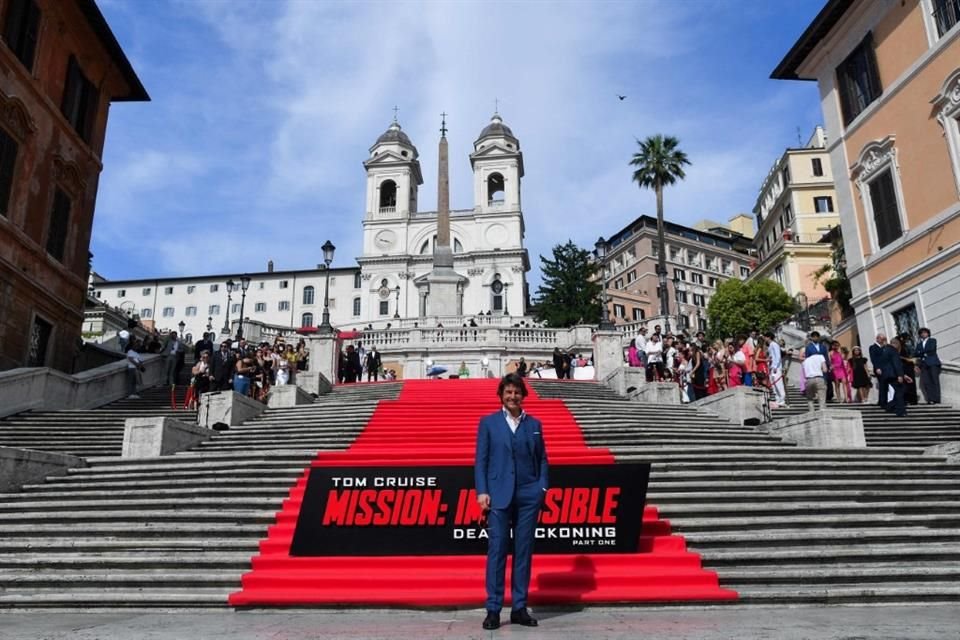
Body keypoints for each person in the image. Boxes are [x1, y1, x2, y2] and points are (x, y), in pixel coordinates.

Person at [474, 374, 548, 631]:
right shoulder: (489, 423)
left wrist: (542, 488)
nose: (512, 397)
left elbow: (542, 460)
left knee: (523, 552)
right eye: (508, 393)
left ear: (523, 395)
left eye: (517, 392)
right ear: (501, 395)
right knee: (497, 551)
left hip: (529, 495)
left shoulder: (534, 424)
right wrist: (481, 491)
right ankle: (493, 608)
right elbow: (481, 460)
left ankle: (519, 607)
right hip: (498, 494)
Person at [914, 327, 942, 404]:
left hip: (933, 363)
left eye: (925, 332)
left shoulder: (932, 340)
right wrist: (923, 353)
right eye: (922, 333)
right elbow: (916, 353)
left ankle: (936, 399)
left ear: (928, 333)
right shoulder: (919, 344)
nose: (923, 334)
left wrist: (921, 352)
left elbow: (932, 349)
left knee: (934, 381)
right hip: (923, 364)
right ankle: (930, 399)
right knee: (926, 382)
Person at [886, 337, 907, 417]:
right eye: (896, 344)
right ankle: (900, 411)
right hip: (894, 375)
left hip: (890, 375)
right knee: (900, 392)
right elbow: (896, 365)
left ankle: (890, 406)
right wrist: (900, 375)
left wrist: (904, 375)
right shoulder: (893, 352)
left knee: (900, 391)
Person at [802, 346, 828, 412]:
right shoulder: (820, 357)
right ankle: (822, 411)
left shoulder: (805, 361)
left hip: (809, 380)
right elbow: (825, 369)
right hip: (819, 378)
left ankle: (811, 412)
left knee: (810, 399)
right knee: (821, 397)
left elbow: (804, 374)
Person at [765, 332, 786, 406]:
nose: (765, 339)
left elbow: (778, 356)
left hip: (775, 368)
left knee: (778, 383)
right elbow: (772, 356)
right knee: (773, 384)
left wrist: (775, 366)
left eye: (766, 337)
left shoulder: (774, 344)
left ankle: (782, 399)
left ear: (769, 337)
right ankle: (777, 399)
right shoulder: (770, 346)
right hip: (771, 368)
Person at [869, 333, 889, 410]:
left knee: (885, 384)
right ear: (877, 339)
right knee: (883, 384)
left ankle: (884, 400)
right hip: (879, 368)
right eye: (882, 339)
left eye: (884, 339)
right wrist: (877, 368)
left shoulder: (885, 347)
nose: (883, 340)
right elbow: (873, 358)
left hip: (886, 368)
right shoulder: (873, 347)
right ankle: (882, 401)